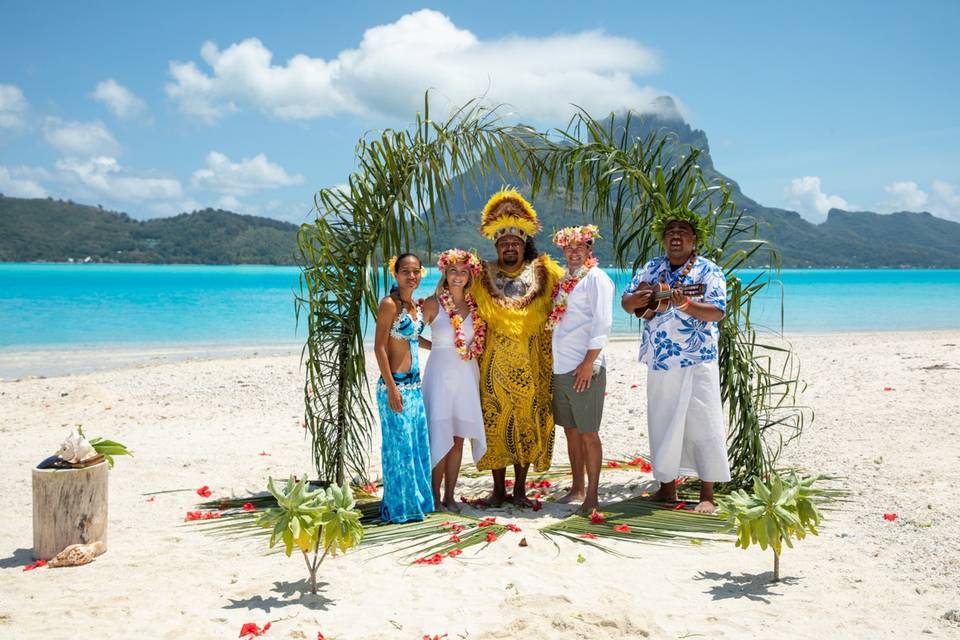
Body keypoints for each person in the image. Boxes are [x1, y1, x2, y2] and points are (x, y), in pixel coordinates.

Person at [620, 208, 731, 513]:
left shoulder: (708, 271)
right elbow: (627, 302)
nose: (676, 235)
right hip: (660, 359)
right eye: (671, 231)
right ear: (664, 239)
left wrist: (686, 303)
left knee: (703, 422)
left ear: (694, 239)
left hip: (697, 357)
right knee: (662, 421)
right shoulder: (651, 268)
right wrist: (641, 300)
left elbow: (717, 311)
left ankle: (707, 494)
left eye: (683, 231)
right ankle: (666, 488)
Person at [471, 188, 564, 506]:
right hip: (492, 367)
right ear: (496, 245)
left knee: (526, 423)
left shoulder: (544, 273)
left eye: (515, 242)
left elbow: (573, 296)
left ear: (524, 244)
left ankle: (521, 490)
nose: (510, 247)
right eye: (504, 242)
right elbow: (451, 294)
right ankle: (498, 490)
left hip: (530, 366)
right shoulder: (480, 275)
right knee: (494, 423)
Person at [548, 225, 614, 513]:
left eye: (580, 247)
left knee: (589, 432)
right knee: (571, 431)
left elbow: (602, 323)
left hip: (584, 367)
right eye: (569, 247)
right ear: (564, 250)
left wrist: (589, 363)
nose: (574, 251)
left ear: (590, 250)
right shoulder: (566, 280)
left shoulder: (597, 278)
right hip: (561, 366)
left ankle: (592, 496)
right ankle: (577, 488)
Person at [421, 249, 488, 512]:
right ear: (445, 274)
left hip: (466, 373)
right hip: (440, 373)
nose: (458, 276)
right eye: (453, 271)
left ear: (470, 275)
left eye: (463, 271)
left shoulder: (476, 306)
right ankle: (434, 497)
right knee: (439, 431)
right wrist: (436, 347)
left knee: (459, 437)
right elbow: (409, 334)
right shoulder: (432, 303)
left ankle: (450, 496)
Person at [373, 253, 434, 522]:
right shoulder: (389, 304)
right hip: (395, 386)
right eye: (405, 271)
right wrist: (391, 388)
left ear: (422, 273)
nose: (411, 276)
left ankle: (415, 505)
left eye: (416, 271)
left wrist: (437, 347)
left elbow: (411, 336)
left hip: (414, 387)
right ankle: (399, 509)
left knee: (416, 446)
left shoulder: (415, 307)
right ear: (395, 275)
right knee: (398, 450)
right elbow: (379, 347)